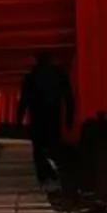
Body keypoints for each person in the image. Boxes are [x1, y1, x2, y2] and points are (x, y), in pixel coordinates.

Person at [20, 51, 75, 185]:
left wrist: (19, 119)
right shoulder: (58, 74)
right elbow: (68, 97)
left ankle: (43, 176)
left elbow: (24, 100)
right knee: (54, 145)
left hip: (37, 116)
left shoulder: (31, 76)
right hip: (53, 115)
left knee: (38, 147)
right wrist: (70, 118)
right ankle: (54, 173)